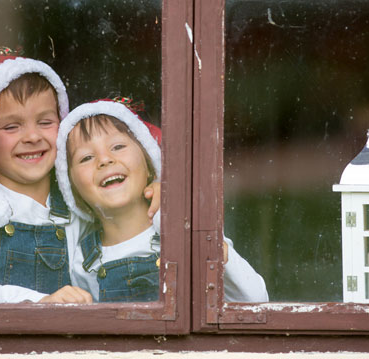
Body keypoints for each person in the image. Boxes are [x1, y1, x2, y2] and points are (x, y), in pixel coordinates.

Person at [55, 99, 269, 302]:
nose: (104, 160)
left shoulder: (183, 226)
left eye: (118, 147)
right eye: (86, 158)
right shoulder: (85, 259)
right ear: (71, 187)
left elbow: (255, 299)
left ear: (149, 165)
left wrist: (204, 240)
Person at [0, 54, 92, 303]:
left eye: (45, 122)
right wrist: (42, 303)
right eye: (12, 127)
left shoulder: (75, 205)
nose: (32, 136)